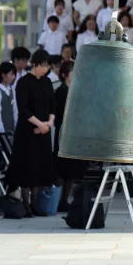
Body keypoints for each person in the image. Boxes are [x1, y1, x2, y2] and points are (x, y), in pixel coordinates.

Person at [7, 49, 55, 217]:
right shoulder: (24, 82)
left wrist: (48, 123)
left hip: (44, 130)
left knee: (40, 166)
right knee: (27, 167)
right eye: (42, 65)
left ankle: (35, 203)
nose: (45, 69)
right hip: (28, 130)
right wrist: (40, 124)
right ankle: (26, 204)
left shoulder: (47, 82)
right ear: (34, 64)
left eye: (47, 66)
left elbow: (53, 105)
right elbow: (23, 108)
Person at [53, 61, 84, 212]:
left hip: (74, 133)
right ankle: (60, 200)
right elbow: (59, 115)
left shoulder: (75, 90)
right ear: (65, 74)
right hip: (63, 133)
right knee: (62, 169)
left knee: (71, 170)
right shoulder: (61, 91)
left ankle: (65, 199)